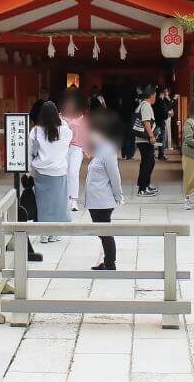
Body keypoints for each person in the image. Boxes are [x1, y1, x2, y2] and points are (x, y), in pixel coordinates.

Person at [83, 108, 124, 270]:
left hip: (102, 201)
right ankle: (108, 261)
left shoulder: (107, 151)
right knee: (102, 232)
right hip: (96, 200)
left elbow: (115, 176)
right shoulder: (100, 149)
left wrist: (118, 196)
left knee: (104, 232)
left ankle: (110, 263)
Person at [29, 101, 73, 243]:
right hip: (59, 171)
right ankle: (54, 233)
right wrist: (63, 121)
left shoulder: (35, 131)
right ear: (57, 115)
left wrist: (28, 171)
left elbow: (30, 152)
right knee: (58, 203)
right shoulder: (64, 131)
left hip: (41, 172)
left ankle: (43, 234)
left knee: (43, 204)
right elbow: (70, 135)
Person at [62, 94, 88, 213]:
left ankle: (74, 199)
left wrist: (86, 149)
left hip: (76, 148)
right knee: (65, 173)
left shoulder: (81, 119)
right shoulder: (59, 118)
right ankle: (65, 198)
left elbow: (85, 135)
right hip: (63, 149)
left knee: (73, 173)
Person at [134, 86, 160, 196]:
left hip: (142, 139)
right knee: (148, 162)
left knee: (148, 162)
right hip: (144, 139)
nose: (155, 97)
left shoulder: (143, 104)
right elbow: (146, 122)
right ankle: (142, 188)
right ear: (151, 95)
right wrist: (151, 136)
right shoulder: (146, 106)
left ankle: (145, 185)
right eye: (155, 95)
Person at [153, 87, 171, 161]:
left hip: (155, 122)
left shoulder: (154, 101)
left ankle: (153, 154)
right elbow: (165, 112)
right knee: (161, 139)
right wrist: (167, 114)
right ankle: (161, 154)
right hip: (160, 122)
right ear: (161, 93)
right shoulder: (160, 101)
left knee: (156, 139)